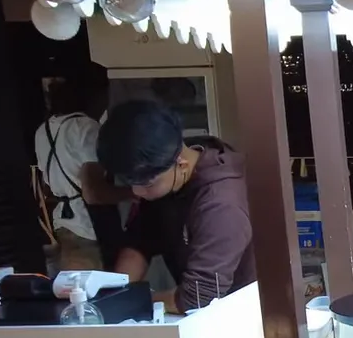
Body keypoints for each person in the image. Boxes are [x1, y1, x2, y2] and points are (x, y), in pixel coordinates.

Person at [81, 99, 256, 313]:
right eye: (130, 182)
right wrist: (112, 295)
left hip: (239, 315)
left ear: (181, 164)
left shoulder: (220, 205)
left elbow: (199, 297)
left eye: (147, 184)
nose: (136, 192)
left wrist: (131, 303)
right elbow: (140, 240)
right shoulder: (164, 162)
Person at [35, 79, 106, 271]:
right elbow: (94, 190)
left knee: (71, 277)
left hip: (62, 220)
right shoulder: (86, 127)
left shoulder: (42, 131)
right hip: (88, 221)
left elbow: (46, 183)